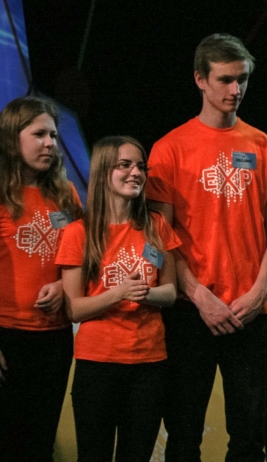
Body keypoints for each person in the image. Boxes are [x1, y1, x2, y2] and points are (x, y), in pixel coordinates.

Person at [146, 33, 267, 461]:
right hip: (192, 311)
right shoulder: (169, 149)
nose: (235, 89)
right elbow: (160, 235)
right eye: (225, 79)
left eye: (242, 79)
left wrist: (260, 291)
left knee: (249, 438)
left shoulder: (265, 146)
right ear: (200, 79)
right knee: (183, 434)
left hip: (251, 310)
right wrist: (198, 294)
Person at [57, 136, 179, 461]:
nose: (136, 173)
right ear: (103, 171)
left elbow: (170, 292)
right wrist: (119, 293)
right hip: (98, 365)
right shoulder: (79, 233)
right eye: (125, 165)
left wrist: (145, 293)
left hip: (149, 364)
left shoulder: (156, 225)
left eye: (140, 166)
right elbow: (74, 309)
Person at [0, 96, 83, 462]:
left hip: (54, 337)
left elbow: (84, 258)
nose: (49, 143)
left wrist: (64, 286)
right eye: (39, 134)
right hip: (7, 336)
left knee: (40, 443)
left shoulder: (66, 194)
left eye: (53, 135)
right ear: (11, 137)